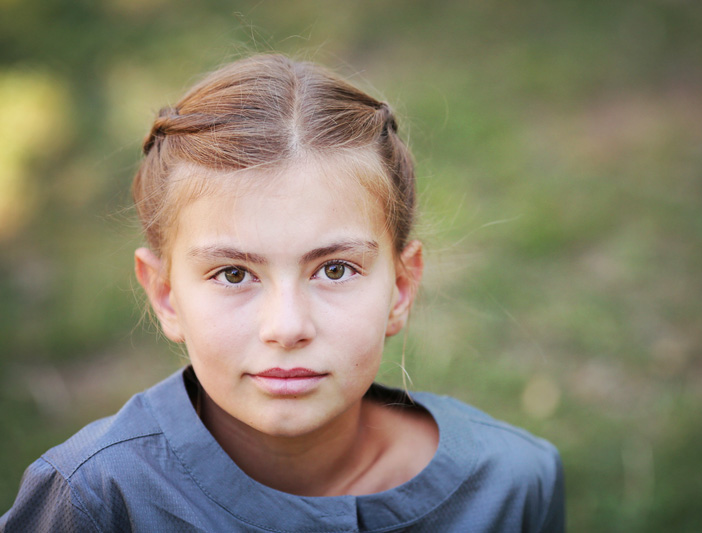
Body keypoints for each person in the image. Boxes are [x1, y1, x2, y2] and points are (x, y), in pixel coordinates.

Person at [0, 54, 565, 532]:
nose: (287, 326)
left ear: (401, 287)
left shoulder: (513, 484)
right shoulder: (94, 500)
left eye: (336, 269)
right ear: (167, 296)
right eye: (233, 274)